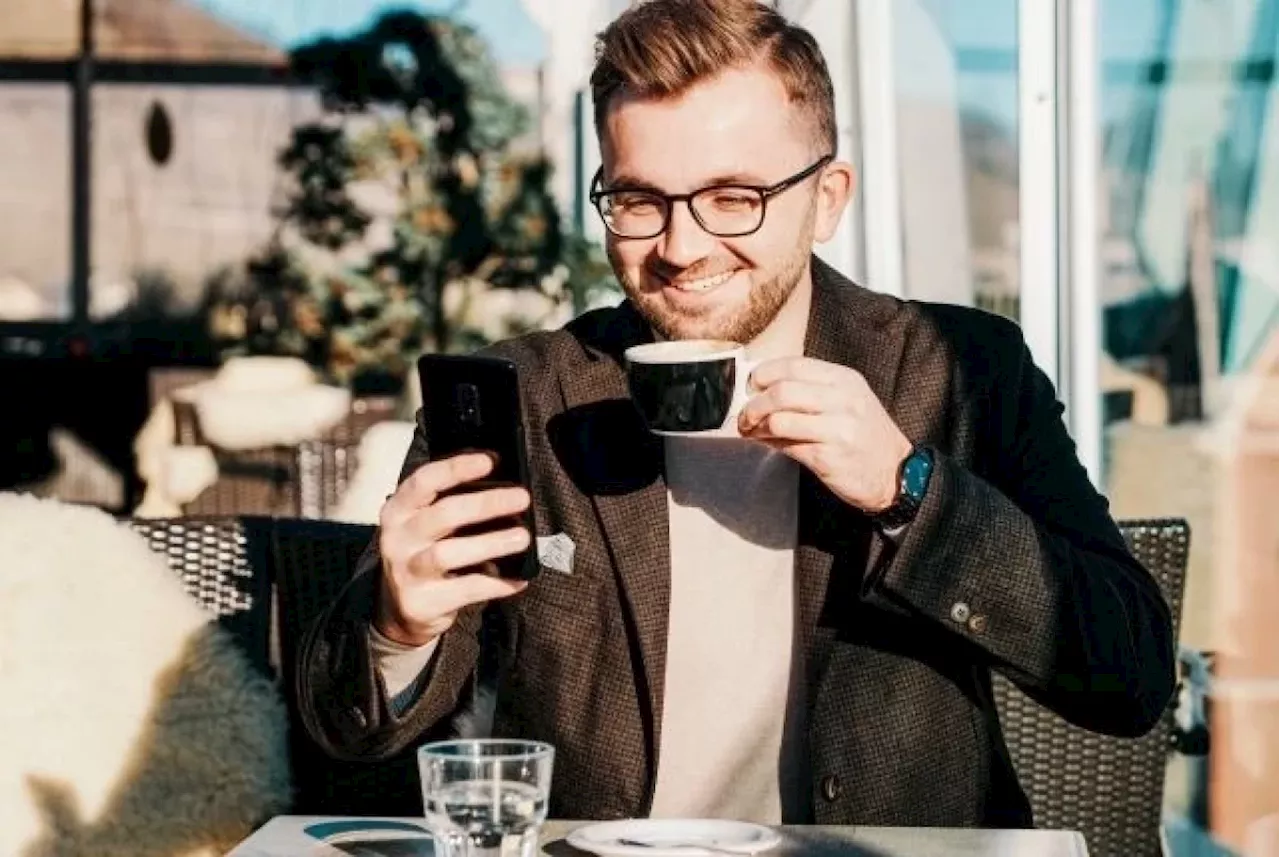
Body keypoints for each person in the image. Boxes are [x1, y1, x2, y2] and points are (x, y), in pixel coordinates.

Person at [297, 0, 1175, 827]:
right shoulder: (525, 396)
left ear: (827, 197)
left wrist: (909, 489)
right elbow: (345, 733)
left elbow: (1130, 676)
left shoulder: (963, 373)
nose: (681, 249)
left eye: (732, 198)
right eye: (640, 200)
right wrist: (396, 625)